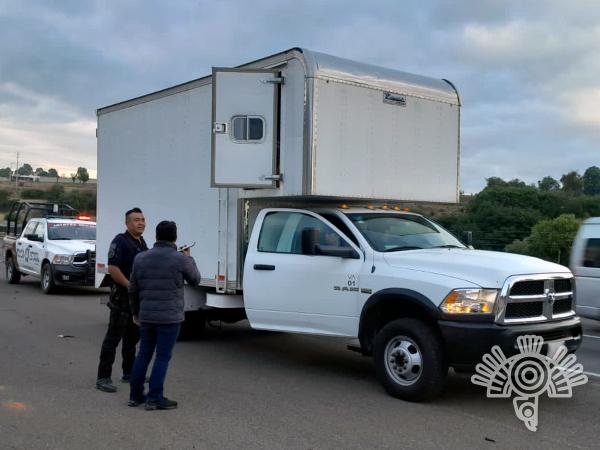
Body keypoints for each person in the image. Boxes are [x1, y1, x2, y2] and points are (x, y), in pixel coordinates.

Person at [128, 220, 201, 410]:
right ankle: (155, 397)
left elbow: (133, 289)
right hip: (170, 317)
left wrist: (136, 312)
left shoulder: (140, 258)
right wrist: (190, 258)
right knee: (162, 357)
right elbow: (195, 280)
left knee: (143, 354)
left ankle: (135, 396)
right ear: (175, 237)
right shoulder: (180, 259)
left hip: (146, 315)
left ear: (156, 236)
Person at [96, 207, 148, 393]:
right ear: (127, 223)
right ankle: (103, 378)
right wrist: (130, 285)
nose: (141, 223)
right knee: (112, 339)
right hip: (122, 300)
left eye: (142, 219)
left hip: (136, 302)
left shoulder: (142, 243)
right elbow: (113, 269)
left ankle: (129, 372)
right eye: (136, 220)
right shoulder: (120, 241)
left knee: (131, 340)